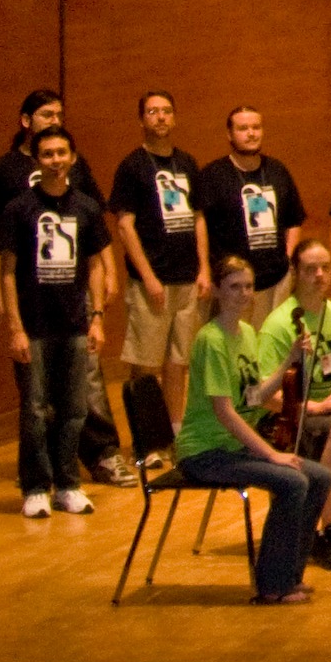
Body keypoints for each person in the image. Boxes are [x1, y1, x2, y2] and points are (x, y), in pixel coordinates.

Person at [178, 256, 331, 603]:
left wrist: (289, 361)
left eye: (248, 286)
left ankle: (290, 576)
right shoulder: (212, 340)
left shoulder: (247, 333)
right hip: (205, 451)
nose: (244, 293)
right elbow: (225, 412)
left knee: (320, 477)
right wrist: (270, 454)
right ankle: (271, 586)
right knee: (292, 480)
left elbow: (254, 397)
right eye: (234, 287)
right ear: (218, 291)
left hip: (232, 449)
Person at [0, 125, 112, 518]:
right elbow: (8, 272)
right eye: (47, 154)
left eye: (62, 153)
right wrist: (15, 328)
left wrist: (96, 318)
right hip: (35, 327)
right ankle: (34, 486)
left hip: (75, 326)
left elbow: (96, 264)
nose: (55, 161)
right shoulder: (18, 210)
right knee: (33, 409)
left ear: (73, 158)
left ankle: (68, 483)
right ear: (36, 159)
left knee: (74, 409)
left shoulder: (86, 207)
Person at [255, 240, 331, 570]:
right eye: (310, 269)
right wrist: (315, 407)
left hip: (327, 412)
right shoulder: (279, 323)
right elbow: (264, 397)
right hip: (285, 420)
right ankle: (327, 532)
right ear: (295, 272)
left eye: (325, 268)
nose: (319, 275)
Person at [110, 92, 210, 436]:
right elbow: (125, 225)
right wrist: (149, 277)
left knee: (178, 362)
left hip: (186, 278)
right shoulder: (132, 166)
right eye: (153, 112)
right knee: (144, 364)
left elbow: (198, 218)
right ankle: (147, 438)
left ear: (175, 118)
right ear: (142, 120)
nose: (161, 118)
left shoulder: (188, 164)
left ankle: (175, 431)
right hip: (150, 281)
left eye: (167, 111)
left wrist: (204, 268)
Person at [193, 106, 307, 315]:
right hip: (232, 284)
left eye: (256, 127)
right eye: (243, 128)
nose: (251, 133)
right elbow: (200, 225)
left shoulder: (277, 171)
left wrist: (288, 260)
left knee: (272, 345)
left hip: (276, 280)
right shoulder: (212, 175)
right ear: (230, 134)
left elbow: (294, 220)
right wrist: (204, 270)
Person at [0, 90, 104, 221]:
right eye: (48, 115)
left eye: (59, 116)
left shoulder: (74, 162)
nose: (55, 121)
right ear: (26, 120)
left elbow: (94, 211)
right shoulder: (5, 168)